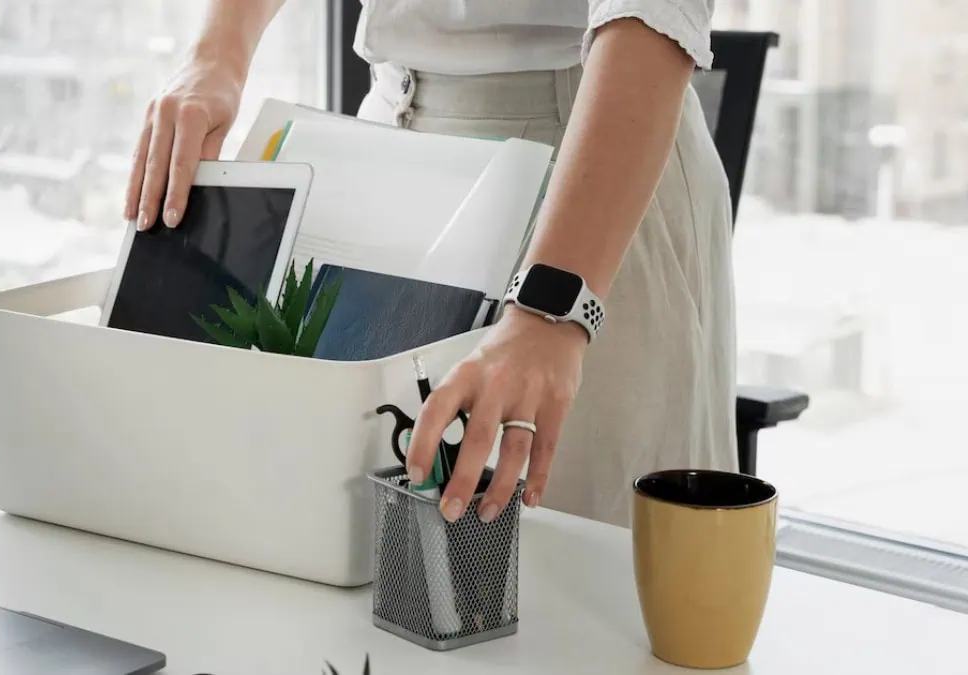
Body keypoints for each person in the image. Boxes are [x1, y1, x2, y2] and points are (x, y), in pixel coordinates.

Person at [123, 1, 735, 529]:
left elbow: (651, 14)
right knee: (364, 565)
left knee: (587, 577)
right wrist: (218, 52)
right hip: (386, 138)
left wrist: (553, 305)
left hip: (586, 177)